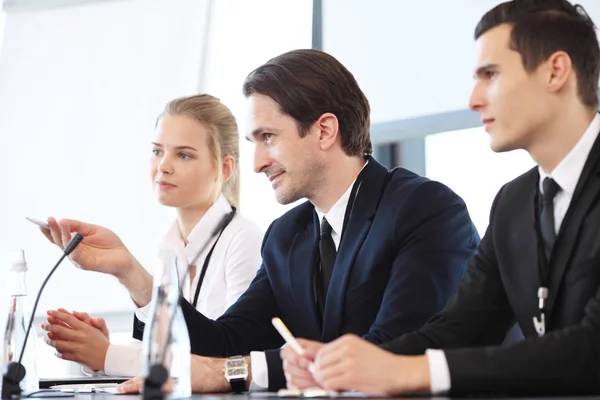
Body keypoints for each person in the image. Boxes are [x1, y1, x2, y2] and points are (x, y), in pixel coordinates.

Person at [43, 48, 479, 393]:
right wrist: (131, 274)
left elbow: (390, 352)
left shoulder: (426, 210)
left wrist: (238, 371)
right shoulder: (287, 237)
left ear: (325, 131)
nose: (255, 163)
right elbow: (225, 342)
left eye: (268, 138)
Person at [281, 0, 600, 396]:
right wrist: (348, 365)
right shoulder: (513, 204)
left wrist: (411, 373)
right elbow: (461, 328)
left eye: (491, 75)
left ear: (555, 71)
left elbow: (591, 348)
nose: (474, 100)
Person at [40, 94, 263, 377]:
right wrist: (100, 349)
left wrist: (108, 355)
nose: (163, 166)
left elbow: (231, 361)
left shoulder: (244, 239)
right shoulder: (168, 244)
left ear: (225, 168)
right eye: (158, 151)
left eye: (183, 155)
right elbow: (162, 358)